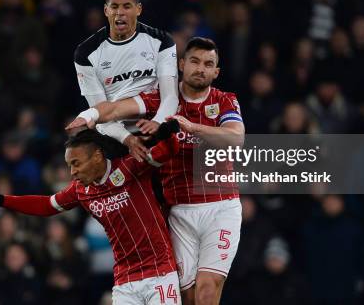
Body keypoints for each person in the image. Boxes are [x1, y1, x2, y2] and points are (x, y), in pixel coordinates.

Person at [67, 37, 245, 305]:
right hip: (179, 210)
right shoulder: (161, 99)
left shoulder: (224, 101)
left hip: (221, 206)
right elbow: (116, 108)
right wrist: (91, 114)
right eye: (195, 61)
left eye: (209, 64)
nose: (201, 69)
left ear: (216, 72)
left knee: (208, 289)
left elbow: (236, 138)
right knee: (187, 297)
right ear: (182, 64)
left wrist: (193, 128)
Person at [0, 124, 182, 305]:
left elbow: (168, 151)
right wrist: (1, 200)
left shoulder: (130, 167)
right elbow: (46, 205)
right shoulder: (80, 190)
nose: (72, 172)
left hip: (159, 272)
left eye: (76, 164)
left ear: (97, 156)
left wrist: (167, 133)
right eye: (69, 166)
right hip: (125, 279)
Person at [73, 0, 179, 161]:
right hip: (117, 135)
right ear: (106, 10)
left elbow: (171, 97)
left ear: (138, 9)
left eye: (127, 6)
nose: (120, 13)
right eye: (114, 7)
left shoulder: (162, 42)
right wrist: (128, 139)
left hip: (156, 125)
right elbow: (101, 114)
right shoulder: (86, 54)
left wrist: (157, 123)